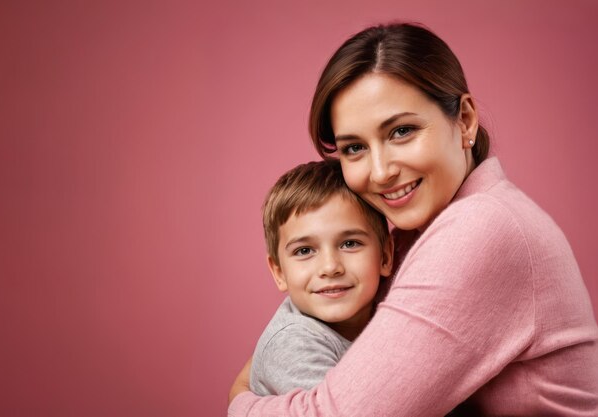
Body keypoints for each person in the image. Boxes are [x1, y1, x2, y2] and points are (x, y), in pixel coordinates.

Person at [228, 22, 598, 416]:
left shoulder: (481, 230)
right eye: (354, 148)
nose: (381, 170)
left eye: (402, 131)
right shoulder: (415, 233)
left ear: (466, 120)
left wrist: (242, 403)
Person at [250, 159, 392, 396]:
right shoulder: (292, 343)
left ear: (385, 257)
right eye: (304, 251)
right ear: (279, 272)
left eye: (350, 243)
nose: (330, 267)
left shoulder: (396, 305)